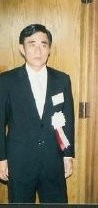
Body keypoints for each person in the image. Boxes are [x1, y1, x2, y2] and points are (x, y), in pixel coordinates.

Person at [0, 24, 75, 203]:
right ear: (22, 49)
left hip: (53, 160)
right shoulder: (6, 80)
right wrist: (1, 158)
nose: (38, 50)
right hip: (19, 160)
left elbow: (68, 119)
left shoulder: (62, 79)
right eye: (32, 44)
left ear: (49, 49)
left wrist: (68, 155)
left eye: (43, 44)